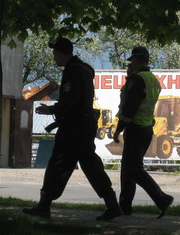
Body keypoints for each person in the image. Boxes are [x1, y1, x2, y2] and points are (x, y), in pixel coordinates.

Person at [23, 37, 122, 221]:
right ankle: (113, 204)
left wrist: (50, 109)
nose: (54, 58)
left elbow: (71, 99)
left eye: (55, 54)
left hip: (73, 128)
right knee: (91, 166)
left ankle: (44, 206)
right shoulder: (84, 69)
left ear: (61, 54)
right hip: (85, 126)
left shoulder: (72, 71)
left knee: (57, 164)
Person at [113, 46, 174, 219]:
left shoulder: (137, 80)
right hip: (146, 129)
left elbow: (130, 108)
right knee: (127, 170)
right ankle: (124, 207)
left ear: (137, 60)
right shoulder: (153, 80)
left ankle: (162, 199)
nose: (130, 63)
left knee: (134, 170)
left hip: (136, 129)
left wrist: (118, 130)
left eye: (132, 60)